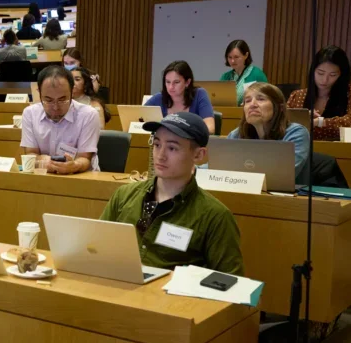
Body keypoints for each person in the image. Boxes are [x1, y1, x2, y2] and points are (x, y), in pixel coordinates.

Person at [100, 112, 244, 275]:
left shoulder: (215, 216)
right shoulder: (124, 196)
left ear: (198, 155)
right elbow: (98, 247)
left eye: (172, 148)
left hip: (174, 297)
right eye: (157, 145)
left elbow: (230, 283)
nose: (160, 156)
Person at [20, 65, 100, 174]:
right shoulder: (30, 113)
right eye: (48, 100)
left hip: (80, 177)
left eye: (62, 100)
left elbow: (85, 158)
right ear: (39, 93)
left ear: (72, 92)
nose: (55, 107)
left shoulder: (88, 115)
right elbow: (30, 154)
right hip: (45, 176)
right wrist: (42, 161)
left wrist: (74, 165)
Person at [228, 82, 310, 185]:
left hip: (286, 197)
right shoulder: (236, 134)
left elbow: (281, 174)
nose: (252, 105)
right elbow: (217, 166)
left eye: (261, 99)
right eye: (247, 101)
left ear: (279, 107)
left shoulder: (296, 133)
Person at [288, 45, 351, 141]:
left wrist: (320, 122)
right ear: (313, 70)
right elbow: (281, 123)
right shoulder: (298, 96)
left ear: (341, 75)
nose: (324, 80)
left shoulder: (350, 92)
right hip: (302, 149)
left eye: (333, 75)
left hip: (338, 151)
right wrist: (303, 118)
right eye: (320, 73)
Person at [145, 60, 215, 133]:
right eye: (168, 82)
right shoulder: (158, 98)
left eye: (176, 82)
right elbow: (136, 122)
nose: (171, 87)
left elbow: (210, 128)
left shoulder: (199, 94)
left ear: (187, 82)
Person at [220, 39, 267, 105]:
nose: (232, 61)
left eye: (236, 57)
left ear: (246, 55)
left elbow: (266, 99)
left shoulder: (257, 74)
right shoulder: (225, 76)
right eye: (230, 57)